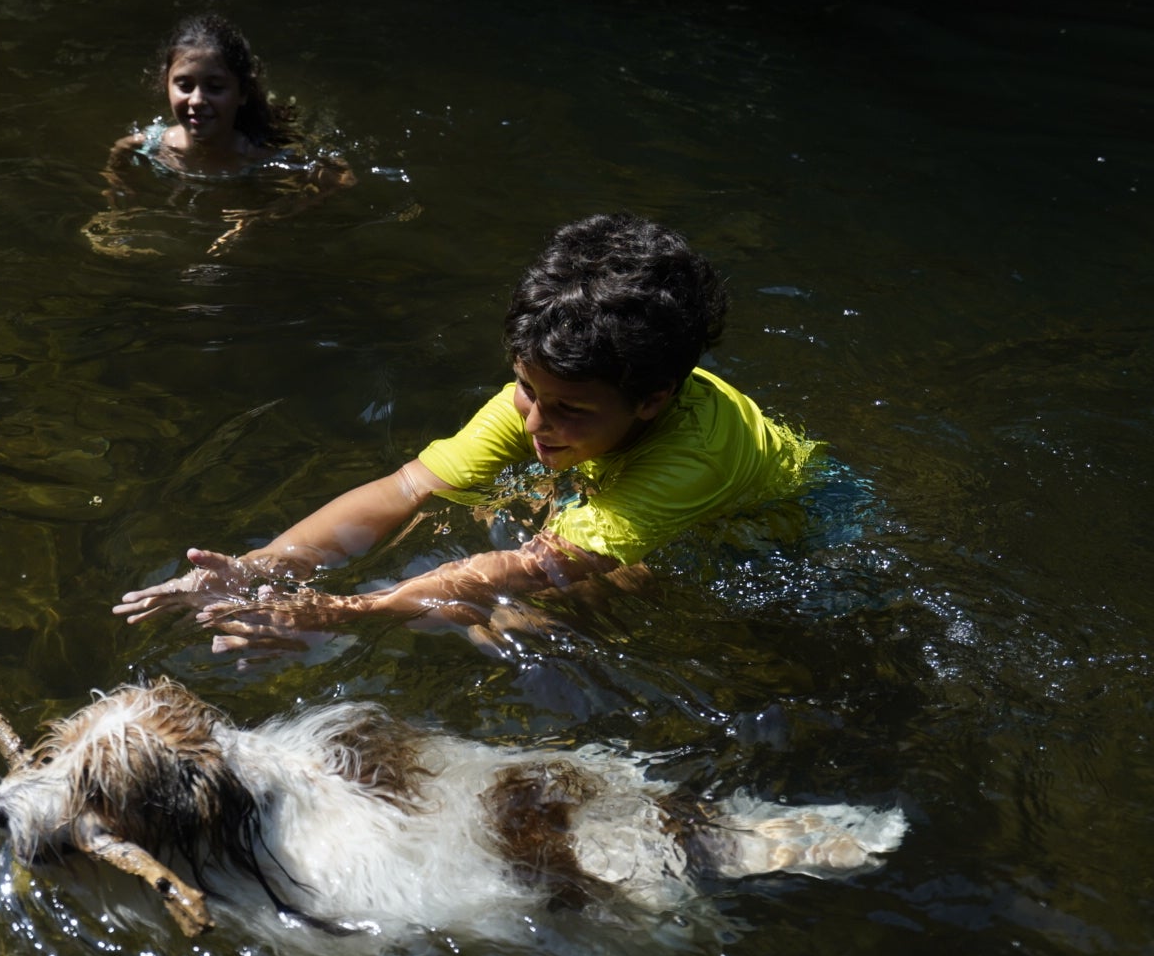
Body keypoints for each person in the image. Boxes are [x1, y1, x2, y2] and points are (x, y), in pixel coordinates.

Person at [113, 213, 820, 650]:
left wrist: (345, 613)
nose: (537, 425)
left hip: (771, 532)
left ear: (652, 400)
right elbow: (407, 488)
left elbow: (542, 564)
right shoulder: (551, 389)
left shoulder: (693, 456)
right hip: (632, 479)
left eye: (568, 410)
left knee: (528, 622)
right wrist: (265, 565)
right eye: (526, 390)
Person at [88, 13, 353, 257]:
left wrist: (266, 215)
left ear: (242, 93)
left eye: (215, 87)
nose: (197, 100)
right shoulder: (151, 146)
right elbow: (121, 152)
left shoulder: (260, 157)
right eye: (184, 85)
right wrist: (120, 203)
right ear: (165, 83)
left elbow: (342, 177)